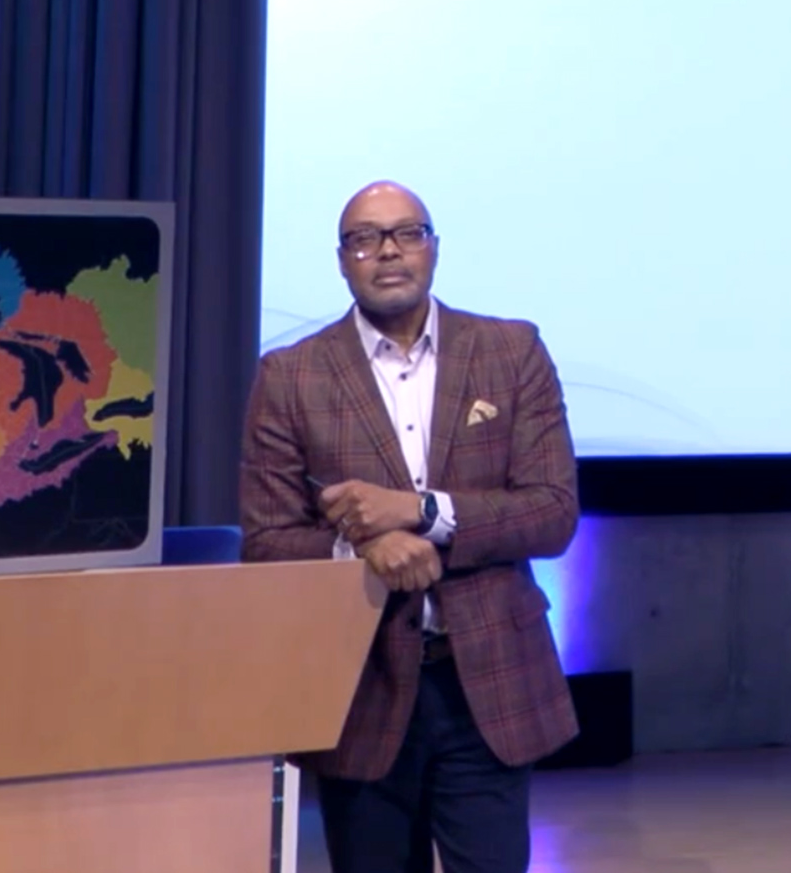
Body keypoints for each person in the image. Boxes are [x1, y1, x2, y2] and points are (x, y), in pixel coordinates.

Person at [239, 181, 579, 873]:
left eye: (406, 233)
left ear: (433, 249)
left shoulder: (511, 353)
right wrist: (363, 549)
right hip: (360, 686)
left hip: (486, 685)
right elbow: (268, 541)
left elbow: (552, 512)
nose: (387, 252)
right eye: (365, 239)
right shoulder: (290, 376)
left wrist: (425, 512)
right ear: (342, 261)